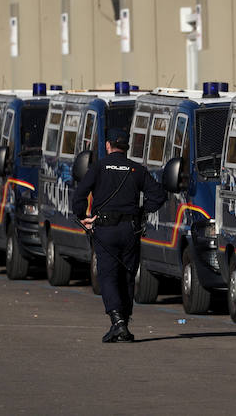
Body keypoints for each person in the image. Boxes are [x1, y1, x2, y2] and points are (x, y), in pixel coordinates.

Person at [72, 127, 167, 343]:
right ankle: (123, 323)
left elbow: (79, 196)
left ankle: (118, 322)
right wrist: (143, 212)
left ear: (107, 145)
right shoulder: (137, 169)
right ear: (127, 147)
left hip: (105, 230)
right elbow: (159, 195)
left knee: (107, 276)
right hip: (129, 230)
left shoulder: (98, 167)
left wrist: (83, 216)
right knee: (127, 276)